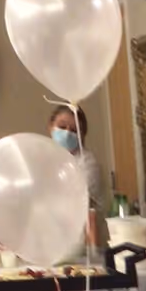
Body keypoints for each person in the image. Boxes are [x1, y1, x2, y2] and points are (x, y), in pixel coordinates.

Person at [49, 102, 102, 250]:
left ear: (81, 136)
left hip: (77, 241)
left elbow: (84, 207)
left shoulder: (87, 163)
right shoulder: (44, 157)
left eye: (73, 130)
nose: (67, 133)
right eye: (62, 126)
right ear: (51, 126)